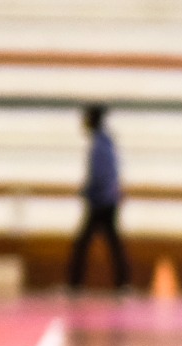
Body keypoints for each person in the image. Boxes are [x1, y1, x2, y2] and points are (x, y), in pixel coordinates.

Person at [66, 104, 131, 293]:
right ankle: (122, 283)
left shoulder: (100, 144)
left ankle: (75, 285)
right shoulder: (105, 141)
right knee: (112, 243)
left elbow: (101, 175)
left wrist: (88, 191)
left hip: (101, 203)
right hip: (106, 200)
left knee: (85, 243)